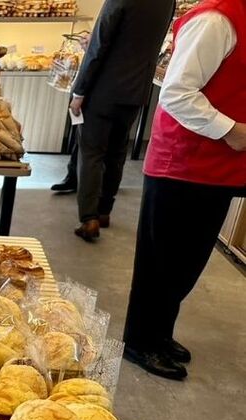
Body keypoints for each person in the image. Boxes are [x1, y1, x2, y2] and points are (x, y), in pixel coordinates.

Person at [122, 0, 246, 378]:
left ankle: (159, 333)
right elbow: (176, 92)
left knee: (186, 263)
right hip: (183, 164)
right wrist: (230, 129)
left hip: (216, 168)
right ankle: (140, 341)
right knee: (162, 263)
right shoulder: (217, 19)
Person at [69, 0, 175, 241]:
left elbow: (98, 48)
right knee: (117, 153)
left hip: (103, 90)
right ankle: (104, 211)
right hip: (137, 90)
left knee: (91, 152)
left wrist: (79, 91)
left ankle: (89, 218)